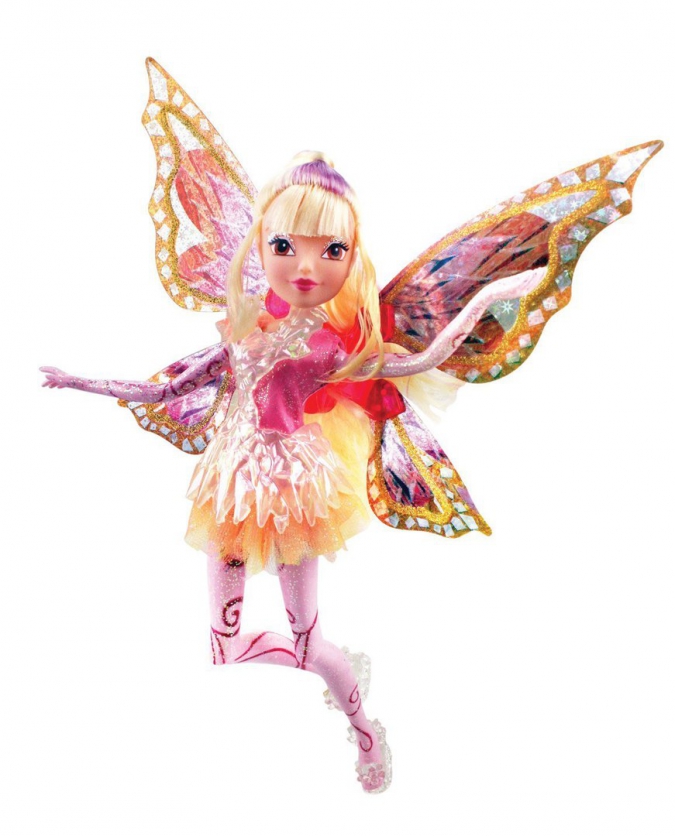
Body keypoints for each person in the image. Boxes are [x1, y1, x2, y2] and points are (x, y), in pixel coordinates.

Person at [41, 150, 543, 792]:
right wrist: (84, 382)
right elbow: (167, 387)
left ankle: (363, 725)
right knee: (223, 646)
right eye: (286, 246)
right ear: (260, 245)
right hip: (231, 489)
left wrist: (490, 297)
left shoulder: (331, 347)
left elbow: (419, 362)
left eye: (331, 251)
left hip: (296, 494)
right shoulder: (243, 324)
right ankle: (336, 666)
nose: (306, 267)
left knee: (308, 642)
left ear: (350, 261)